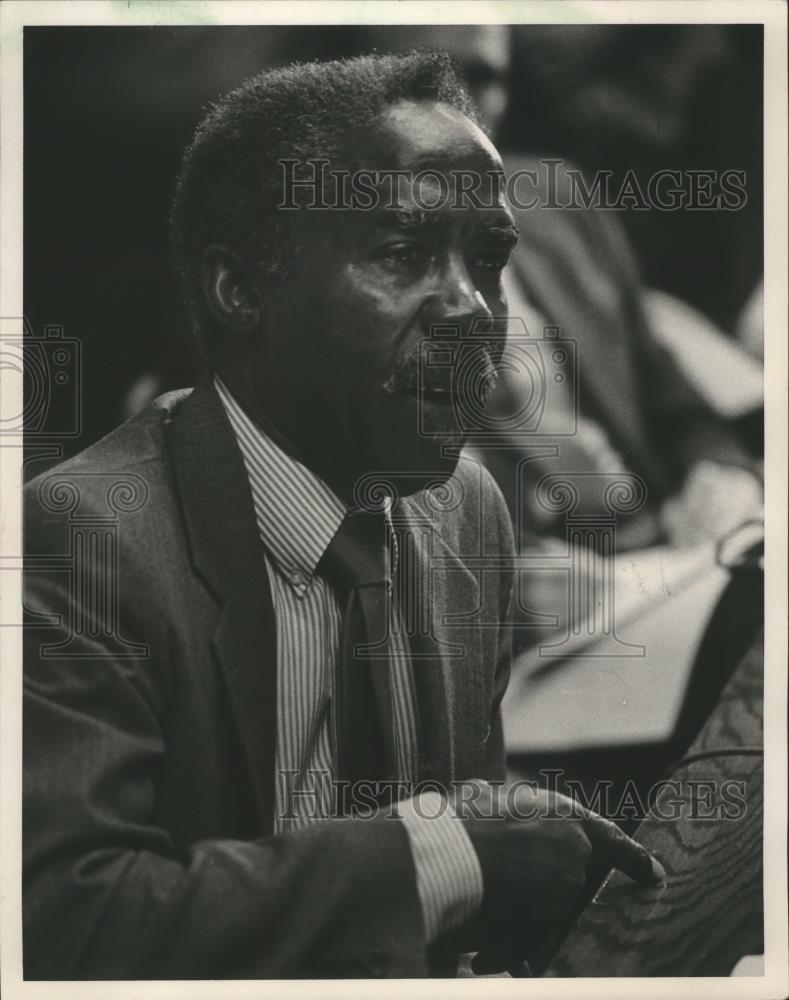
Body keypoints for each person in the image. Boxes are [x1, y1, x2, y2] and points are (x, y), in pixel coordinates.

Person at [23, 52, 663, 980]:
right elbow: (61, 922)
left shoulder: (466, 509)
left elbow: (460, 827)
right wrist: (448, 853)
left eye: (487, 259)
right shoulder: (83, 539)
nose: (470, 307)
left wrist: (514, 841)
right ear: (237, 290)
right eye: (403, 253)